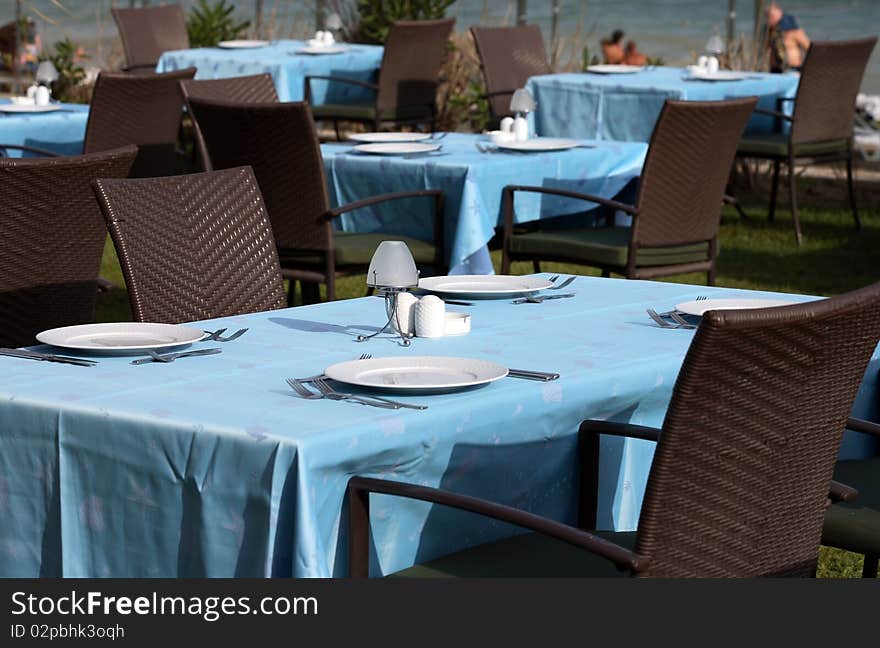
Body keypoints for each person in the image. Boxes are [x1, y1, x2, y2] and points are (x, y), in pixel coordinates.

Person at [766, 2, 810, 71]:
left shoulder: (794, 32)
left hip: (793, 69)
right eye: (767, 16)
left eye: (771, 16)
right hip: (775, 70)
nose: (769, 19)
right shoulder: (770, 32)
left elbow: (810, 50)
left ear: (780, 13)